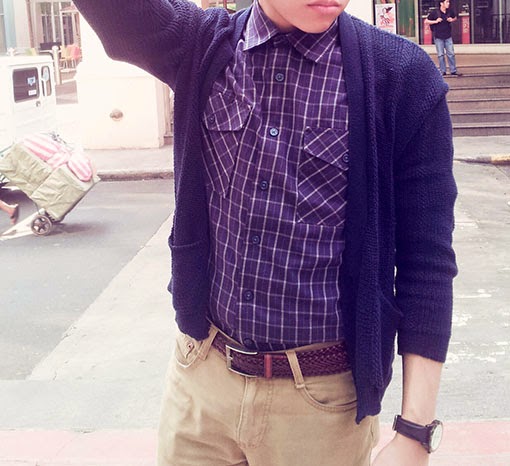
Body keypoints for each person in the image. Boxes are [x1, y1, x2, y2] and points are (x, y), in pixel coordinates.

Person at [73, 1, 457, 465]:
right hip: (201, 383)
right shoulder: (202, 44)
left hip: (320, 407)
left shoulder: (401, 76)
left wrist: (414, 433)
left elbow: (427, 261)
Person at [426, 0, 461, 76]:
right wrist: (435, 21)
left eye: (449, 2)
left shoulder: (450, 11)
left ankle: (453, 70)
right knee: (440, 55)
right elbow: (426, 21)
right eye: (447, 2)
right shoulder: (435, 12)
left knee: (451, 54)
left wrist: (452, 20)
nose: (448, 4)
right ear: (441, 3)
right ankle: (443, 71)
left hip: (448, 36)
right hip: (438, 36)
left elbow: (455, 17)